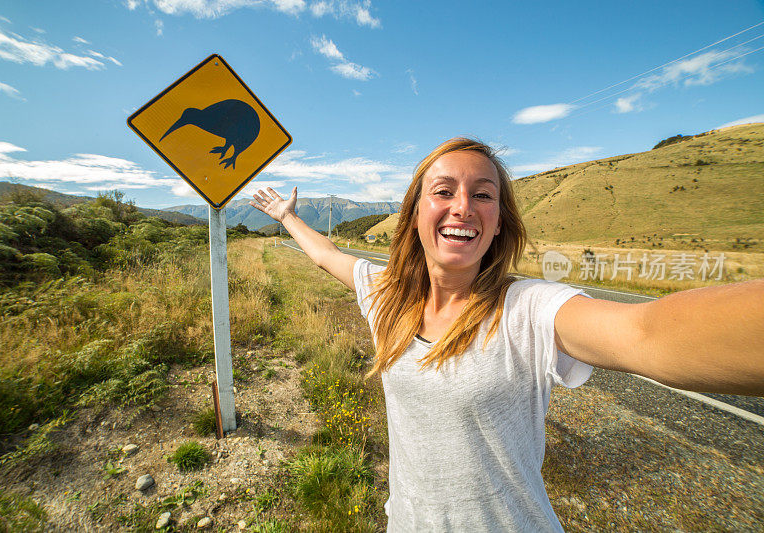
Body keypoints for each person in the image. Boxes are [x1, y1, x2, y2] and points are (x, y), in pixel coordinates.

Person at [250, 137, 764, 532]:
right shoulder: (387, 298)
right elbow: (327, 256)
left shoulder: (528, 309)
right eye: (444, 191)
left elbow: (647, 333)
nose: (462, 206)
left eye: (483, 195)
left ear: (497, 224)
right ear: (412, 217)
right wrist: (287, 217)